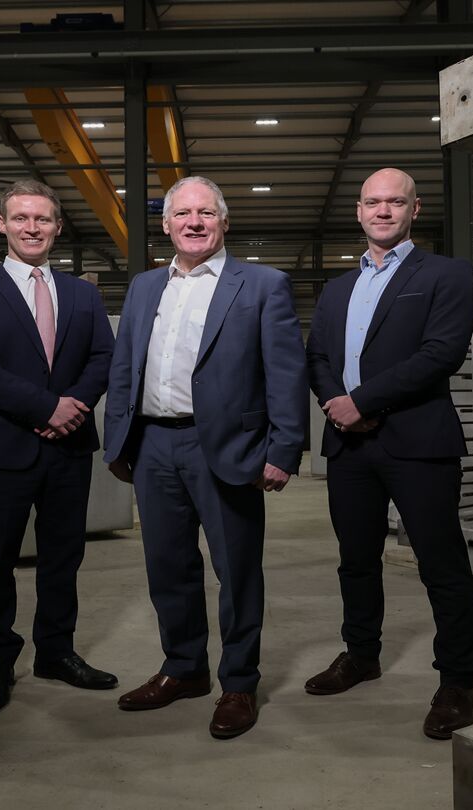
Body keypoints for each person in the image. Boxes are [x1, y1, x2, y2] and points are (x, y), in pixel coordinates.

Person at [103, 176, 307, 740]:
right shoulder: (145, 286)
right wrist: (117, 439)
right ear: (166, 225)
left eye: (206, 213)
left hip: (228, 449)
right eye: (182, 214)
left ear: (224, 222)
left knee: (237, 572)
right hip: (153, 445)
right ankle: (183, 668)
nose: (194, 222)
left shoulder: (262, 284)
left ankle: (238, 682)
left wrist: (284, 449)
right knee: (168, 568)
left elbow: (287, 374)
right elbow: (125, 366)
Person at [303, 167, 473, 739]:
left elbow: (441, 353)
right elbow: (317, 357)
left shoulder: (446, 274)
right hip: (349, 446)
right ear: (358, 211)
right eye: (373, 202)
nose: (383, 211)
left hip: (417, 442)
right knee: (356, 559)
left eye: (395, 202)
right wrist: (336, 402)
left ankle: (456, 680)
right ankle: (361, 654)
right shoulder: (337, 288)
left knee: (441, 565)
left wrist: (363, 401)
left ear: (414, 209)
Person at [0, 179, 117, 716]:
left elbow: (103, 358)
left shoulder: (84, 293)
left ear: (57, 227)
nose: (32, 228)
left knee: (63, 558)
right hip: (2, 448)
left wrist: (73, 407)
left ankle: (56, 653)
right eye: (20, 218)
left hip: (68, 448)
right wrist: (46, 408)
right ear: (2, 225)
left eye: (42, 219)